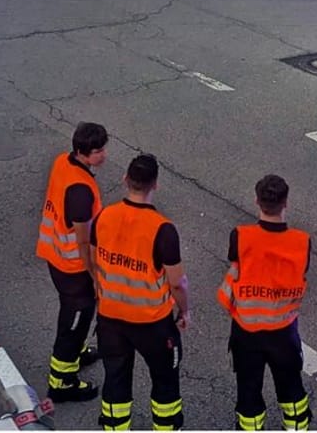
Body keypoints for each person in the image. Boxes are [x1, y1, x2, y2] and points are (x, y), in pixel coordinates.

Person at [90, 154, 190, 431]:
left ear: (125, 179)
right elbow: (177, 283)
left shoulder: (104, 216)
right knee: (165, 382)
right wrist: (184, 310)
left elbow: (94, 260)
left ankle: (114, 427)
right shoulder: (163, 230)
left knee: (116, 380)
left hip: (110, 319)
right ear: (155, 185)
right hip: (153, 324)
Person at [217, 175, 312, 431]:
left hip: (246, 331)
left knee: (248, 389)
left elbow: (236, 270)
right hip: (283, 330)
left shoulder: (240, 236)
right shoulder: (302, 242)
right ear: (286, 203)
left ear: (256, 201)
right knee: (292, 389)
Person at [38, 123, 108, 404]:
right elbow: (83, 242)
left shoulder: (63, 162)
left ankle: (77, 354)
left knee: (76, 320)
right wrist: (94, 274)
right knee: (74, 323)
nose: (103, 155)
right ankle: (62, 382)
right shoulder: (80, 190)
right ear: (82, 152)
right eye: (98, 151)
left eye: (103, 148)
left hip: (55, 256)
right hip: (73, 268)